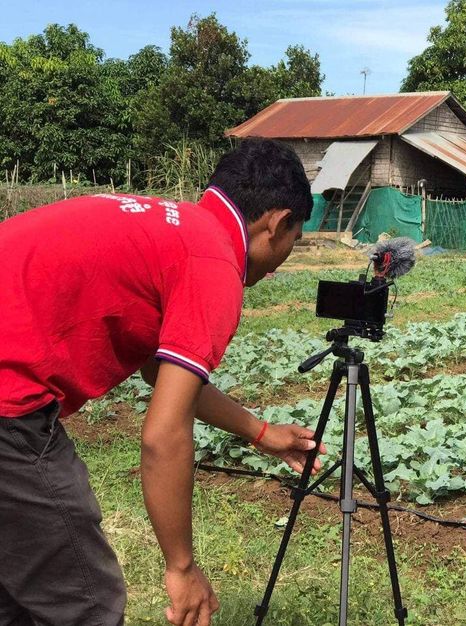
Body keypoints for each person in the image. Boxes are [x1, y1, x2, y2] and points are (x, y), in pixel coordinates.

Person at [0, 138, 327, 626]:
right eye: (294, 241)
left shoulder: (175, 228)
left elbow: (160, 371)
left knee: (16, 591)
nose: (282, 261)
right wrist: (182, 566)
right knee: (83, 601)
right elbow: (163, 434)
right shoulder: (214, 263)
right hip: (8, 401)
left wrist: (260, 432)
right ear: (276, 224)